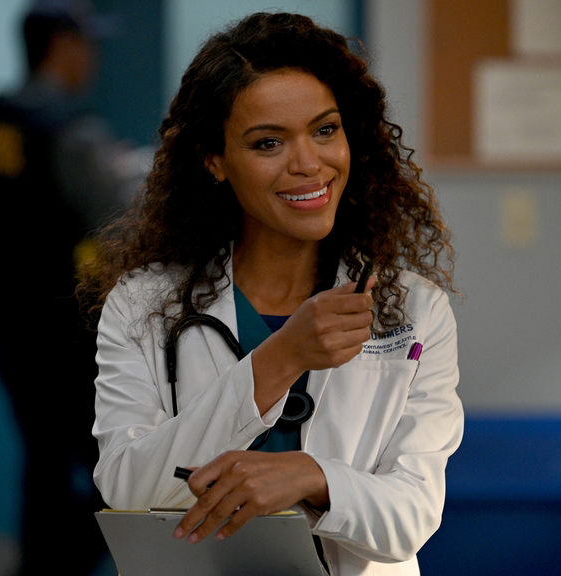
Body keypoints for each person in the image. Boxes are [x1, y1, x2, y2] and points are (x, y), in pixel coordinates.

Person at [78, 12, 463, 576]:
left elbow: (414, 516)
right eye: (268, 143)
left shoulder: (413, 310)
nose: (308, 164)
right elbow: (128, 485)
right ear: (214, 160)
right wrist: (280, 359)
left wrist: (314, 477)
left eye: (325, 130)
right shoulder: (142, 305)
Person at [0, 2, 141, 574]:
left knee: (42, 459)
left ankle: (41, 564)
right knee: (120, 469)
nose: (92, 59)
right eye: (86, 46)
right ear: (61, 47)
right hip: (69, 334)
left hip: (11, 326)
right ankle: (67, 558)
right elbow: (111, 216)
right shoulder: (70, 129)